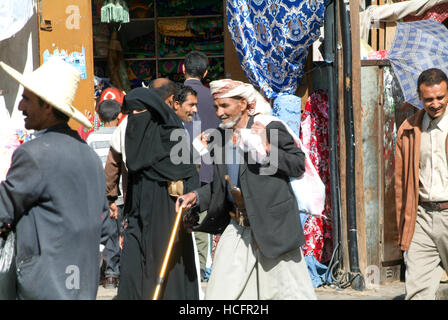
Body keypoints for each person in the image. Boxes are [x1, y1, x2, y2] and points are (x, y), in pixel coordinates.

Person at [176, 79, 316, 300]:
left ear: (243, 104)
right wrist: (196, 196)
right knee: (220, 293)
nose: (219, 112)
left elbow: (298, 164)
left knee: (285, 294)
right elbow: (221, 184)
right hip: (238, 226)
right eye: (216, 107)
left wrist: (268, 150)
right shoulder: (220, 138)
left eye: (225, 106)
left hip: (273, 226)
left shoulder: (269, 127)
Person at [0, 58, 109, 299]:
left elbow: (4, 208)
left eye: (26, 99)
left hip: (45, 284)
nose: (20, 106)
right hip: (82, 283)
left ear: (47, 106)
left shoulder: (34, 154)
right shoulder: (89, 155)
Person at [116, 86, 199, 300]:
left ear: (153, 112)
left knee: (165, 269)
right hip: (137, 217)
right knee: (132, 270)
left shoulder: (172, 137)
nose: (135, 118)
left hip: (166, 214)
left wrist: (190, 209)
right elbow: (132, 177)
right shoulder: (135, 139)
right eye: (131, 114)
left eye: (139, 112)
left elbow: (190, 176)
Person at [395, 68, 448, 300]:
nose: (435, 103)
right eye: (429, 99)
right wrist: (405, 224)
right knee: (417, 292)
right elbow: (400, 185)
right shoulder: (408, 130)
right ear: (420, 97)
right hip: (422, 218)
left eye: (441, 97)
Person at [182, 51, 220, 280]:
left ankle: (186, 266)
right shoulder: (214, 97)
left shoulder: (175, 96)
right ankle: (203, 266)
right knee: (201, 216)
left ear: (182, 69)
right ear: (206, 72)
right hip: (207, 165)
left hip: (181, 164)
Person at [86, 98, 122, 289]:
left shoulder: (91, 138)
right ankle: (114, 271)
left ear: (99, 117)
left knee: (107, 233)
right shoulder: (122, 135)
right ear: (119, 116)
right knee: (120, 231)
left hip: (100, 195)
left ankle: (109, 272)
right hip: (120, 193)